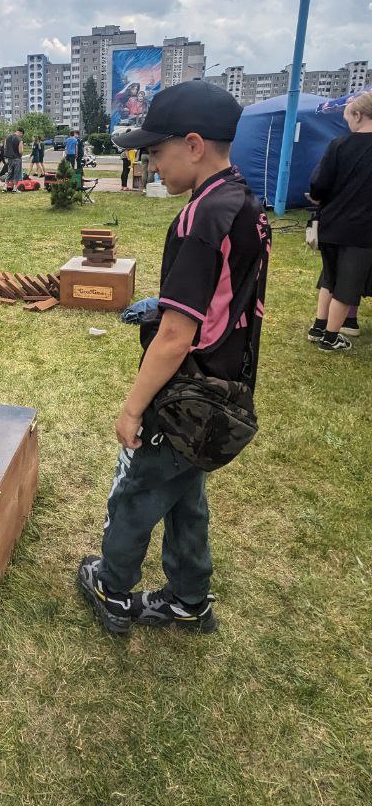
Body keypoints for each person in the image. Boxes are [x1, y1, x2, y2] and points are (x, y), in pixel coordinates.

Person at [77, 81, 270, 636]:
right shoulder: (244, 201)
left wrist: (134, 408)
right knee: (186, 492)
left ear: (193, 145)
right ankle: (189, 597)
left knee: (139, 492)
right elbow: (223, 297)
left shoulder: (200, 217)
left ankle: (112, 589)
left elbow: (177, 336)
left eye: (155, 152)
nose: (149, 163)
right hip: (224, 388)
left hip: (186, 392)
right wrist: (164, 303)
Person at [307, 89, 372, 352]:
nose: (347, 124)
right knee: (348, 283)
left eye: (347, 119)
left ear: (359, 115)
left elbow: (318, 184)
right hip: (363, 228)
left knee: (329, 277)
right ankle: (331, 337)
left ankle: (319, 325)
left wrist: (318, 198)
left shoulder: (338, 145)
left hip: (331, 222)